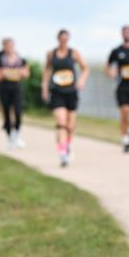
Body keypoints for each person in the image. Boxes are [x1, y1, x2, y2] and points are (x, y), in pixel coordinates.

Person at [42, 29, 89, 167]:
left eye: (66, 39)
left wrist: (81, 80)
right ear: (58, 39)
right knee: (61, 123)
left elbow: (85, 68)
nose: (63, 41)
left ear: (68, 39)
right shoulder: (51, 54)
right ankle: (62, 154)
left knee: (70, 125)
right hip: (57, 92)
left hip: (71, 92)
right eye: (61, 38)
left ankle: (67, 145)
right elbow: (47, 71)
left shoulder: (74, 53)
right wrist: (44, 88)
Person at [0, 38, 29, 149]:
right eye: (7, 45)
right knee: (7, 114)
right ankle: (10, 138)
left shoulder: (20, 59)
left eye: (11, 45)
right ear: (4, 46)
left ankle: (17, 135)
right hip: (4, 88)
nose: (9, 48)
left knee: (18, 112)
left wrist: (19, 73)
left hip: (17, 88)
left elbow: (26, 73)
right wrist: (4, 74)